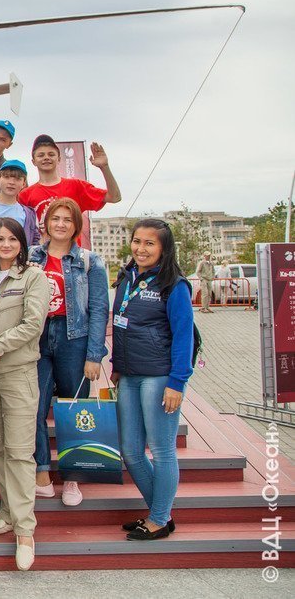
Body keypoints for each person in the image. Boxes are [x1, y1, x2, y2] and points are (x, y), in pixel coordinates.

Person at [0, 217, 51, 571]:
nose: (6, 245)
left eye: (12, 239)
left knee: (18, 452)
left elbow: (33, 324)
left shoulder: (33, 277)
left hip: (18, 374)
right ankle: (8, 511)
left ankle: (25, 531)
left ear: (21, 243)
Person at [112, 218, 195, 541]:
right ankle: (161, 514)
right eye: (137, 241)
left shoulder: (174, 284)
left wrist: (177, 382)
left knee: (161, 451)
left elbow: (184, 336)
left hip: (159, 377)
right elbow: (121, 325)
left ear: (164, 248)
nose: (141, 248)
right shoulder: (127, 276)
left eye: (150, 243)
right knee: (131, 452)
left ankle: (159, 518)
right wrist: (117, 366)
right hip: (129, 375)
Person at [28, 198, 109, 505]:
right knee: (34, 407)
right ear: (46, 223)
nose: (60, 224)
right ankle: (42, 472)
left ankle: (73, 477)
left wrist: (94, 355)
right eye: (55, 218)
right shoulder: (32, 256)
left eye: (67, 219)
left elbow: (99, 309)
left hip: (74, 337)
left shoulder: (89, 261)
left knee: (74, 408)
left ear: (76, 226)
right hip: (37, 337)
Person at [19, 134, 121, 232]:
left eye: (51, 154)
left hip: (71, 244)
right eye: (41, 155)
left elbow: (114, 197)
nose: (46, 158)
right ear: (33, 161)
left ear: (59, 159)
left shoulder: (77, 186)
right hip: (40, 244)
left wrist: (104, 167)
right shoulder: (25, 195)